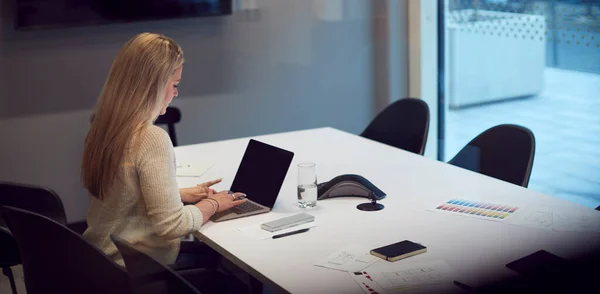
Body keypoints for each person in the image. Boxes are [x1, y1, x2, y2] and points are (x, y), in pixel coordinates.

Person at [80, 32, 247, 269]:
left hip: (100, 262)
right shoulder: (151, 138)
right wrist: (215, 204)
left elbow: (121, 194)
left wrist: (176, 194)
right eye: (175, 85)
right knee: (230, 270)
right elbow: (171, 226)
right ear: (154, 85)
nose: (176, 93)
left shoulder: (103, 128)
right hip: (136, 270)